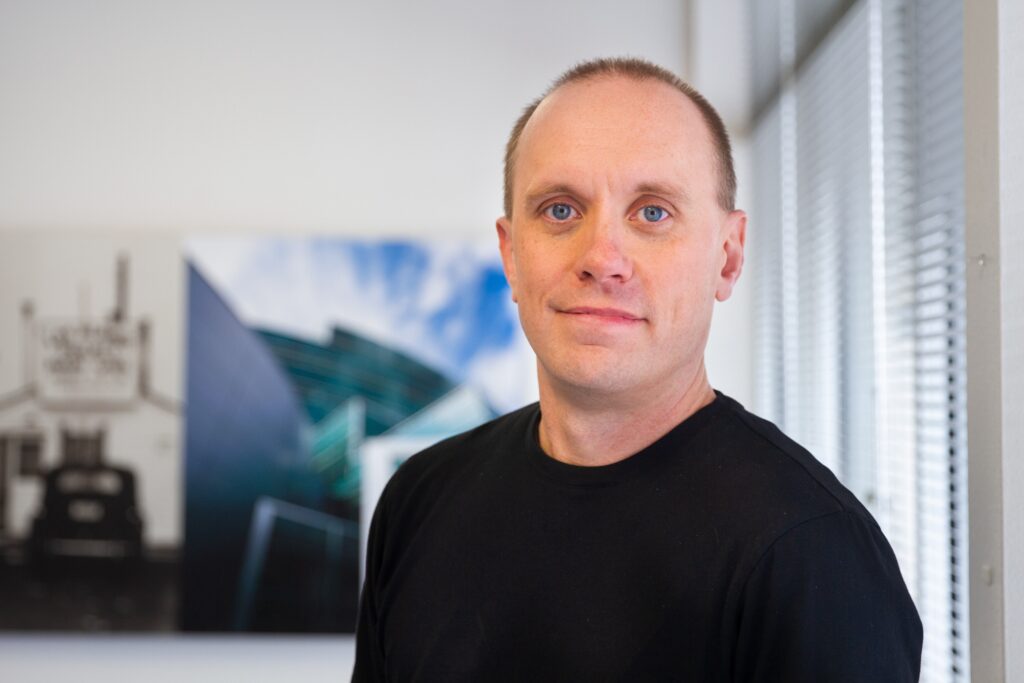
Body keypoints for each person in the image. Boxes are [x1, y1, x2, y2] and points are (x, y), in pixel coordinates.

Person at [352, 57, 922, 682]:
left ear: (728, 256)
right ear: (511, 256)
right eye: (561, 210)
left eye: (652, 212)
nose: (602, 259)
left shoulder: (812, 554)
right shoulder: (419, 501)